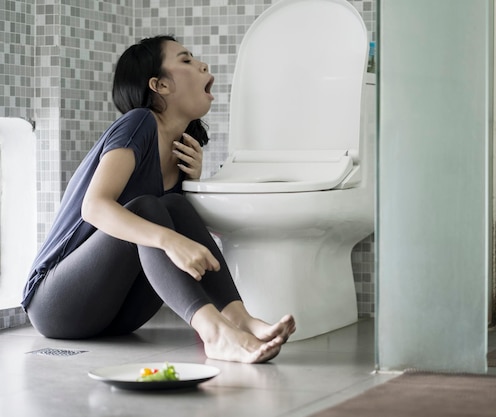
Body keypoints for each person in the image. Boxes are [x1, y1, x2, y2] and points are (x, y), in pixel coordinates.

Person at [21, 35, 296, 363]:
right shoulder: (138, 122)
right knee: (147, 208)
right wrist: (168, 240)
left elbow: (184, 233)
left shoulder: (182, 148)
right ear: (160, 85)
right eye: (186, 60)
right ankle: (215, 334)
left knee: (173, 205)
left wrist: (192, 183)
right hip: (58, 305)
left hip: (120, 316)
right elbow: (94, 206)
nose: (202, 65)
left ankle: (240, 319)